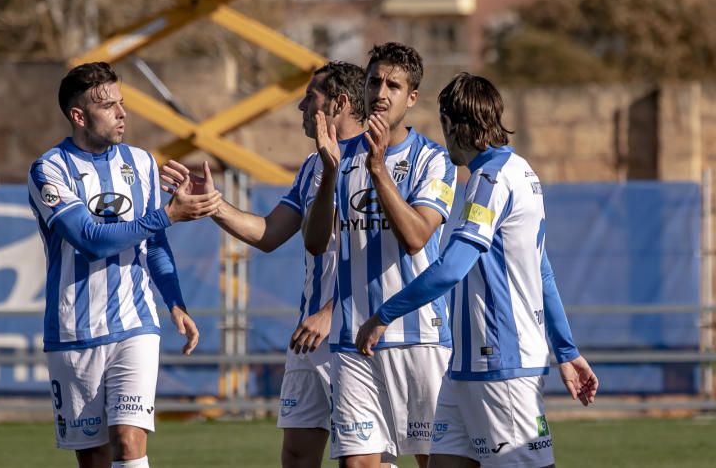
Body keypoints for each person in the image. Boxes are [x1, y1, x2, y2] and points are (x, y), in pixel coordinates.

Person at [356, 72, 599, 468]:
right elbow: (543, 272)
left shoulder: (491, 179)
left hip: (500, 366)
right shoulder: (519, 171)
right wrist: (566, 350)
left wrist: (384, 315)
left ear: (452, 124)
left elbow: (451, 268)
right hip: (464, 370)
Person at [161, 61, 366, 468]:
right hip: (309, 338)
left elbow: (389, 261)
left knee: (360, 461)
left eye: (312, 97)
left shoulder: (376, 164)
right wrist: (213, 205)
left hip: (357, 338)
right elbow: (270, 233)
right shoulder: (311, 168)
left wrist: (332, 311)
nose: (301, 106)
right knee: (295, 455)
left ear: (340, 103)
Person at [28, 61, 218, 468]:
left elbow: (157, 243)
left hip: (135, 324)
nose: (122, 113)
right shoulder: (48, 170)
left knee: (129, 445)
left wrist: (175, 302)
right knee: (94, 458)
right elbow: (89, 240)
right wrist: (167, 213)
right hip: (73, 330)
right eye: (108, 106)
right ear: (79, 116)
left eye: (122, 102)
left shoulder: (142, 163)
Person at [305, 42, 456, 468]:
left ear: (412, 98)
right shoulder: (337, 157)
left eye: (394, 84)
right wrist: (330, 172)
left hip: (418, 338)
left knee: (434, 460)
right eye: (375, 81)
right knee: (358, 464)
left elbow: (415, 237)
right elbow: (315, 243)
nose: (381, 92)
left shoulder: (434, 160)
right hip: (351, 338)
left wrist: (378, 169)